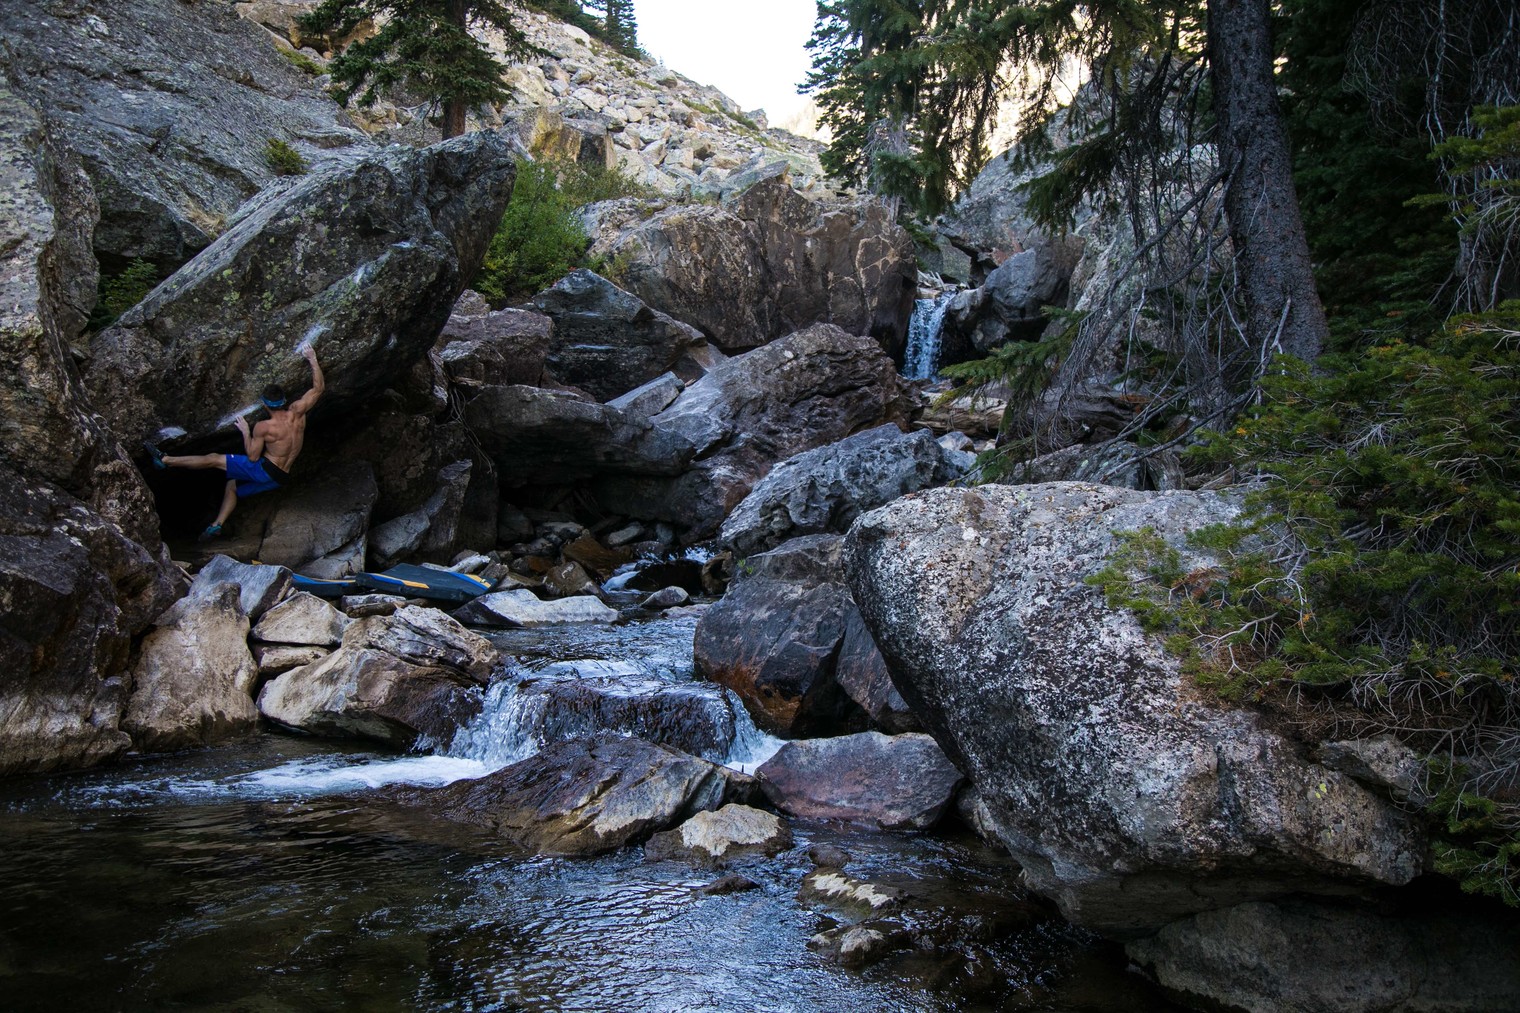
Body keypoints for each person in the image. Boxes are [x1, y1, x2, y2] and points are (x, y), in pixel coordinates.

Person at [147, 344, 325, 540]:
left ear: (265, 404)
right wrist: (312, 358)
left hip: (264, 470)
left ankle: (165, 460)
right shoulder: (298, 412)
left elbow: (253, 457)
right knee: (232, 487)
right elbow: (318, 388)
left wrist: (246, 432)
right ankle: (216, 525)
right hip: (281, 477)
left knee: (213, 459)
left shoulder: (264, 427)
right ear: (283, 400)